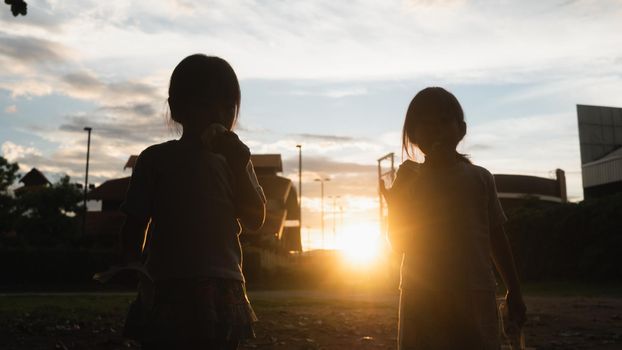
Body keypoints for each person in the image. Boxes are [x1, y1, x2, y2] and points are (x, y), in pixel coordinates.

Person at [118, 54, 266, 350]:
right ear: (177, 109)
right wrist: (129, 264)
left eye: (228, 106)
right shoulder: (155, 159)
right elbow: (135, 220)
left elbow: (255, 219)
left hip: (222, 284)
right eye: (205, 104)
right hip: (166, 283)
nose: (219, 115)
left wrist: (240, 165)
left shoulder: (235, 161)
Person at [381, 87, 526, 349]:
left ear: (461, 129)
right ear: (413, 134)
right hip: (421, 295)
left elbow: (496, 237)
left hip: (475, 293)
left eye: (444, 121)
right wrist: (396, 205)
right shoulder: (409, 179)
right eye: (426, 123)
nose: (436, 129)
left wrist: (514, 289)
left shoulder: (480, 178)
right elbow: (400, 244)